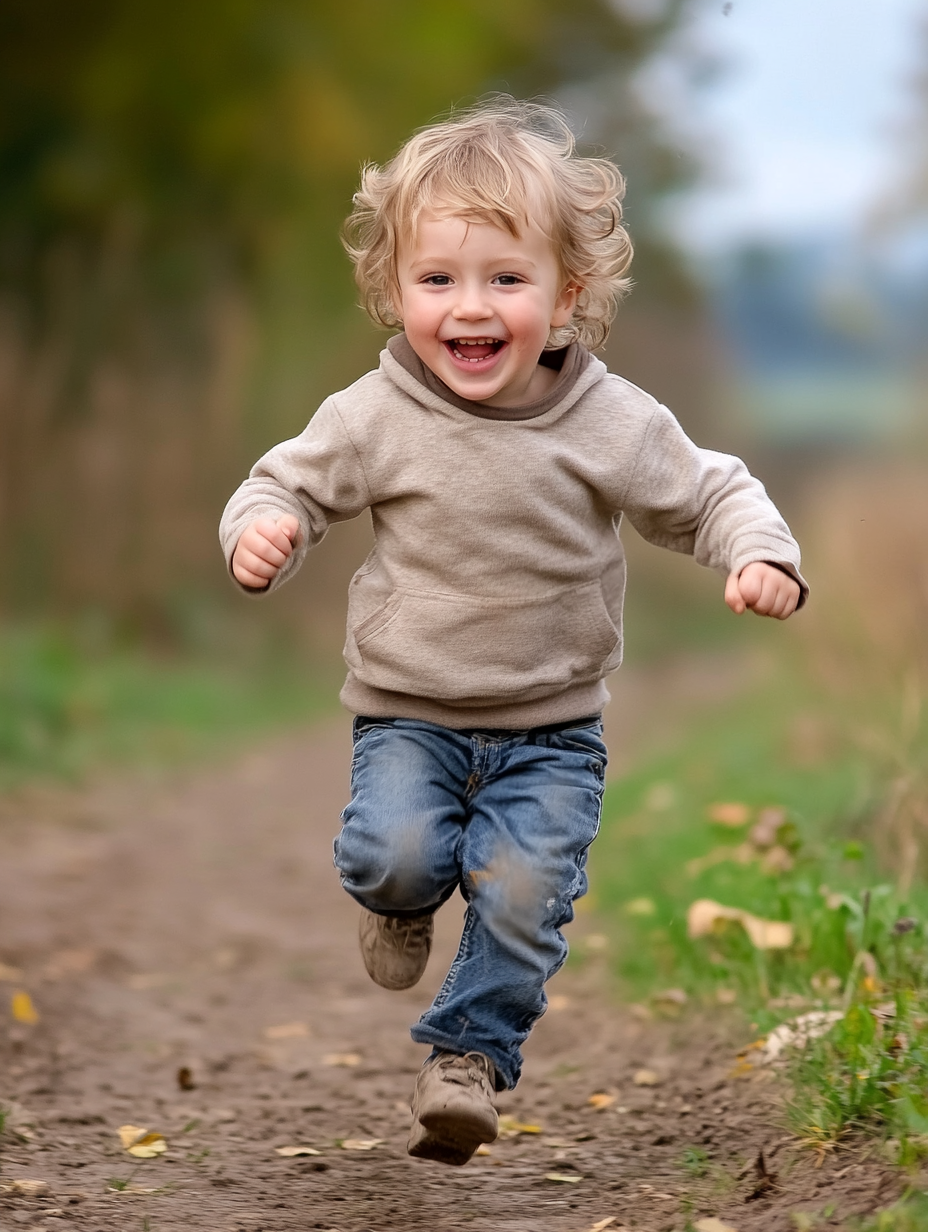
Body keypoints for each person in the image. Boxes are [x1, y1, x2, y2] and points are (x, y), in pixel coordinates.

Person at [219, 97, 806, 1167]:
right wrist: (263, 530)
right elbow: (283, 484)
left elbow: (710, 490)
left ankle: (467, 1062)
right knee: (395, 855)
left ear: (567, 292)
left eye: (505, 279)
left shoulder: (610, 420)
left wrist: (759, 553)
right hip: (409, 715)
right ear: (394, 290)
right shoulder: (374, 414)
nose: (469, 307)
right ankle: (397, 903)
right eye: (437, 280)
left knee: (525, 898)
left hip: (552, 734)